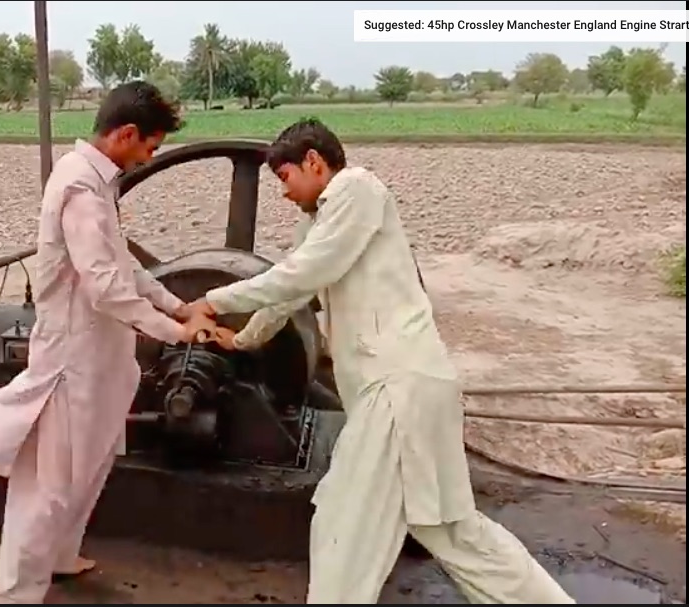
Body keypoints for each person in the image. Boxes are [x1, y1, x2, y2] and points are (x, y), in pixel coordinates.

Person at [193, 119, 574, 604]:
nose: (284, 194)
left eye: (285, 178)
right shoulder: (322, 219)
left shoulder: (356, 190)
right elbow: (293, 291)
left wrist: (212, 301)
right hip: (412, 385)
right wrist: (245, 341)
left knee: (344, 521)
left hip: (395, 389)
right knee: (453, 533)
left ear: (314, 161)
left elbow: (305, 272)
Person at [0, 81, 216, 604]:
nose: (150, 156)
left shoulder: (98, 183)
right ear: (126, 133)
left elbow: (122, 264)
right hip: (70, 361)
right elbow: (105, 287)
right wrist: (176, 331)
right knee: (46, 488)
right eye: (149, 146)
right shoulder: (81, 187)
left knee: (91, 467)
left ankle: (59, 556)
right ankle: (15, 594)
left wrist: (177, 305)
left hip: (100, 360)